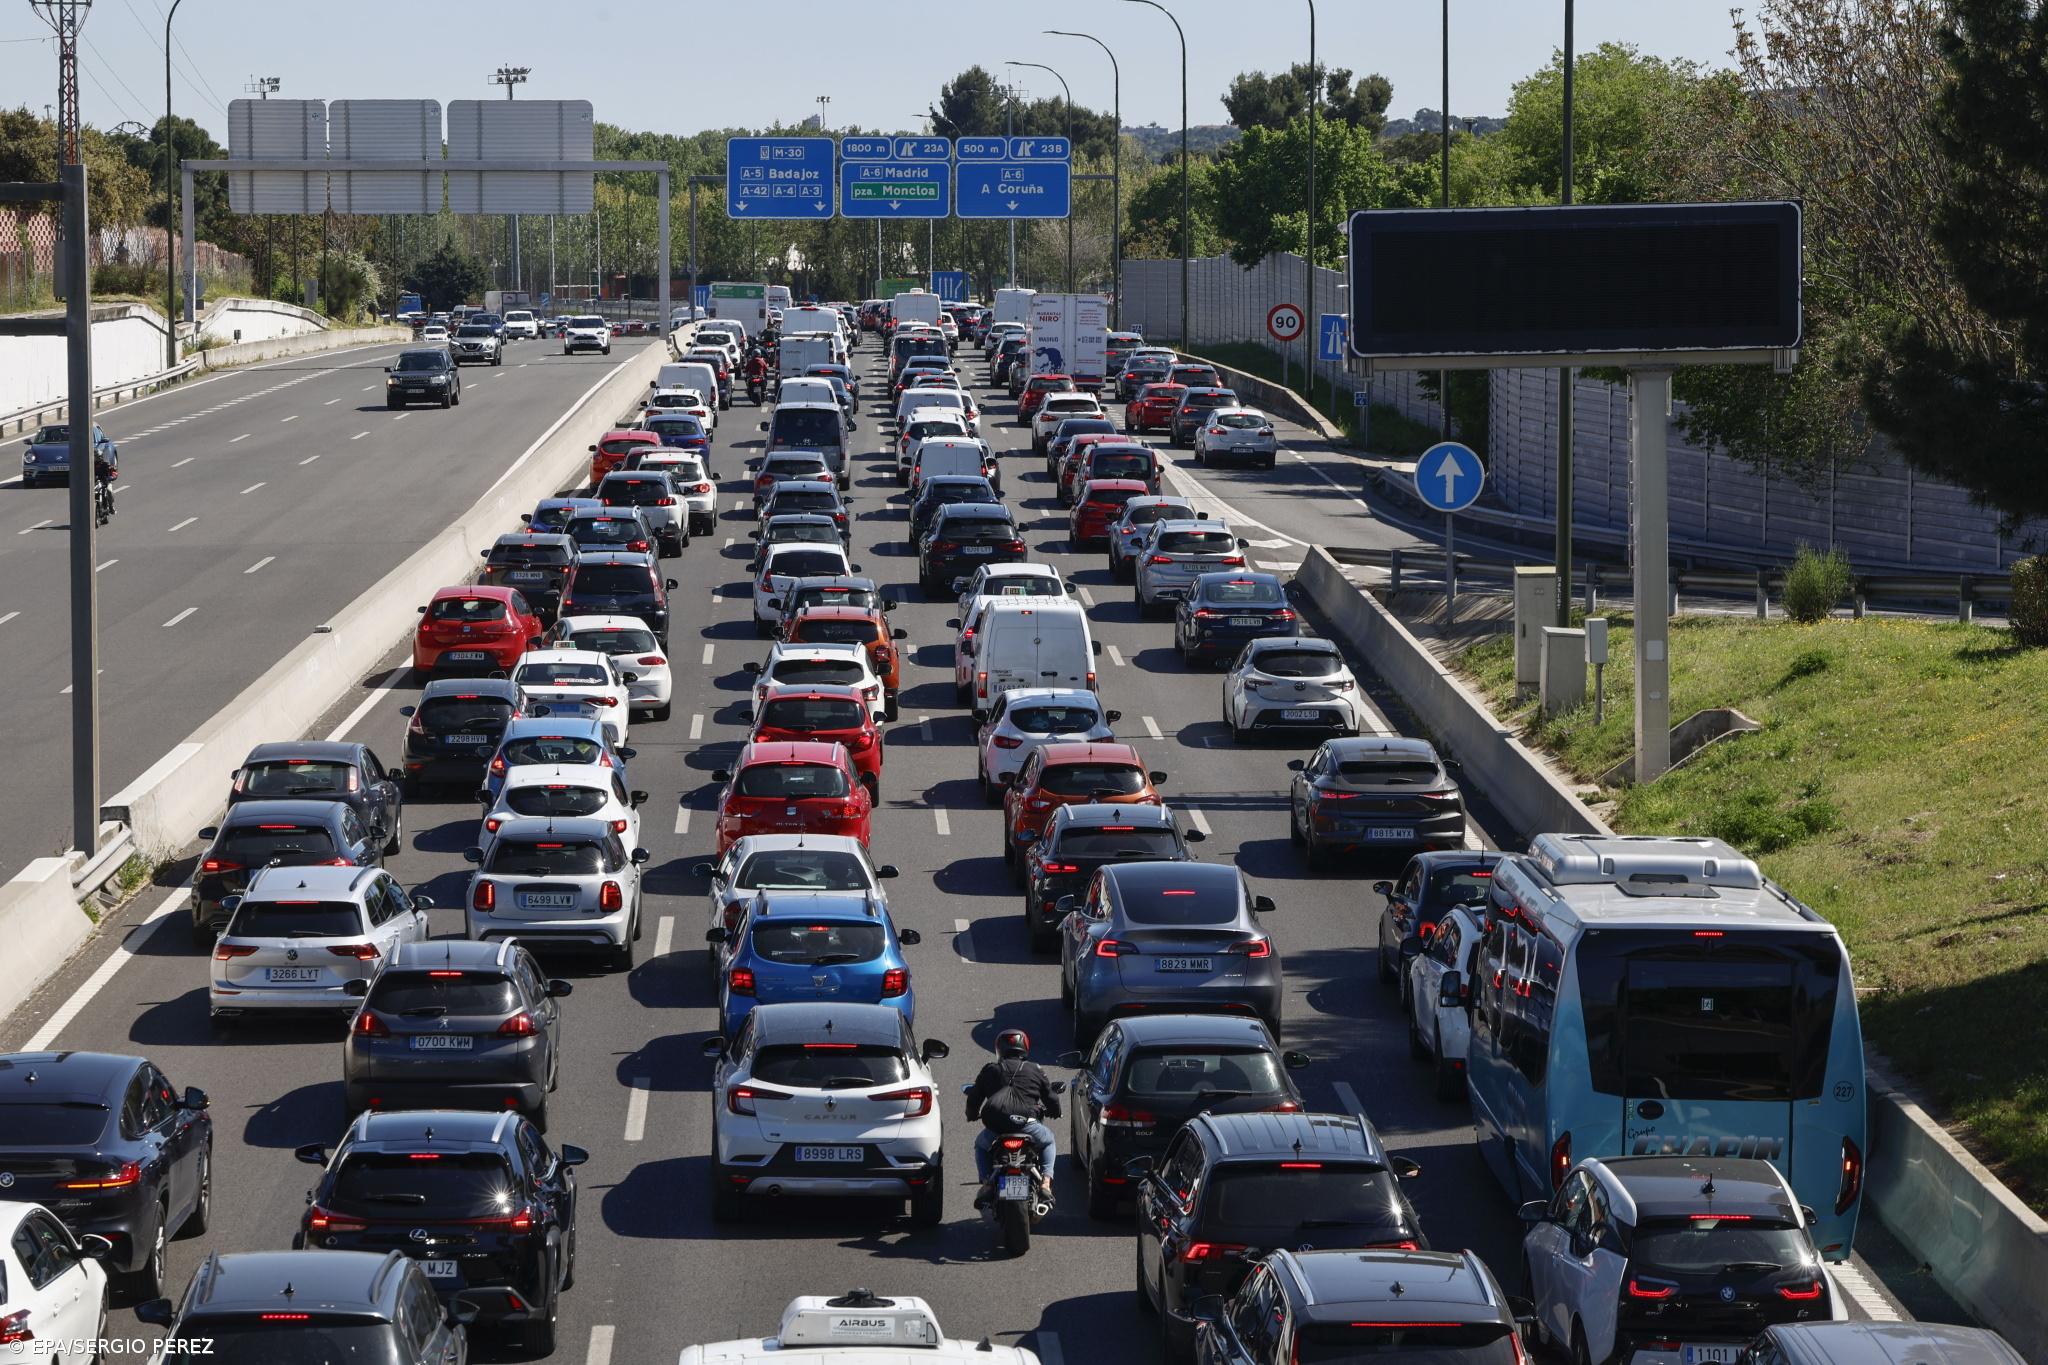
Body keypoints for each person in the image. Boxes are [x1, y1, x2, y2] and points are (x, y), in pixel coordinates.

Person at [963, 1028, 1060, 1206]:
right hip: (1029, 1125)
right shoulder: (1035, 1069)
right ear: (1025, 1047)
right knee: (1048, 1141)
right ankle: (1045, 1183)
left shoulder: (990, 1070)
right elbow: (1051, 1097)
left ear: (999, 1049)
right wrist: (1056, 1111)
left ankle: (986, 1183)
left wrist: (971, 1115)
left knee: (981, 1146)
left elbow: (974, 1098)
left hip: (997, 1128)